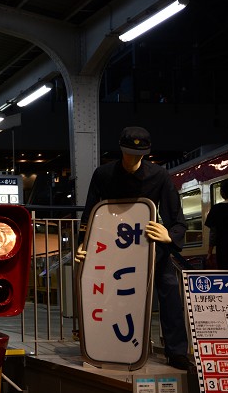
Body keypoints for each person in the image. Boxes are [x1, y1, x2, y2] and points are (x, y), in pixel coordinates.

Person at [75, 126, 194, 370]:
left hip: (150, 248)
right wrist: (81, 245)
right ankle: (106, 346)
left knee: (169, 291)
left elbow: (178, 218)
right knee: (109, 296)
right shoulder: (103, 174)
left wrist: (169, 235)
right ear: (121, 149)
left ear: (147, 153)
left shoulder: (159, 175)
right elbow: (90, 213)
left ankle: (177, 351)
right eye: (129, 152)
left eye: (139, 154)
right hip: (111, 250)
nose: (133, 158)